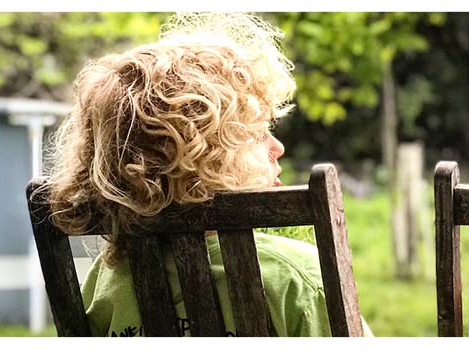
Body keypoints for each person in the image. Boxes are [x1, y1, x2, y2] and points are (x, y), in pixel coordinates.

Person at [38, 12, 370, 337]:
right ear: (209, 159)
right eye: (257, 132)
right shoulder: (298, 278)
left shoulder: (108, 280)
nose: (277, 146)